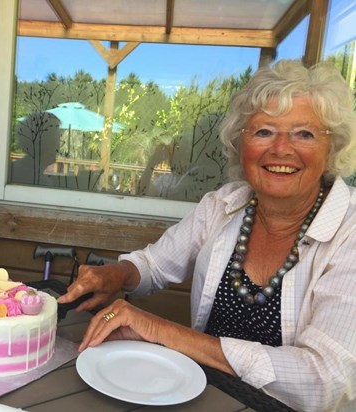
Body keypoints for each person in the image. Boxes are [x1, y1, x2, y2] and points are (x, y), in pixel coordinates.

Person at [58, 60, 356, 412]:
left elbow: (325, 379)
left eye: (303, 133)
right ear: (240, 143)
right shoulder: (223, 205)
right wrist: (117, 274)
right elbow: (154, 264)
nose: (281, 149)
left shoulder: (348, 231)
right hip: (200, 397)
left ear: (331, 147)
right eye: (263, 132)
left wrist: (162, 331)